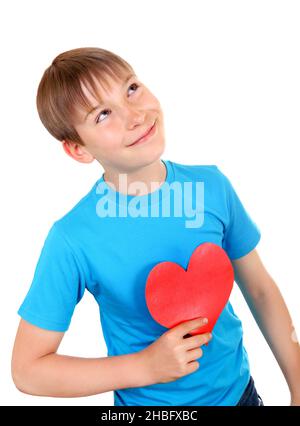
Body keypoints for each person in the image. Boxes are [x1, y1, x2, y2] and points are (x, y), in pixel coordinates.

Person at [11, 47, 300, 406]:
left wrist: (298, 385)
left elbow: (260, 290)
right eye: (103, 114)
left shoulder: (213, 187)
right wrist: (145, 367)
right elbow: (28, 370)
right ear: (78, 150)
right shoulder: (72, 239)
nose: (135, 115)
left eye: (131, 88)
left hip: (241, 395)